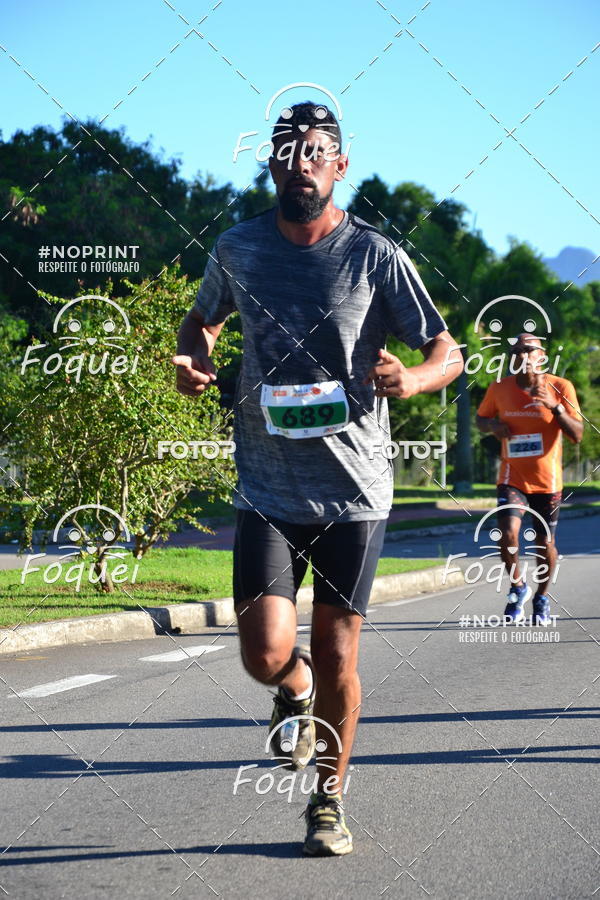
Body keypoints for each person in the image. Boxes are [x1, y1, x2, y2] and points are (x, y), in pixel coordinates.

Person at [173, 101, 462, 856]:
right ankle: (291, 693)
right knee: (265, 654)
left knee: (340, 653)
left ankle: (327, 801)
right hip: (268, 487)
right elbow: (200, 320)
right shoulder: (237, 249)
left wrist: (419, 379)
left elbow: (446, 349)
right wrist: (195, 360)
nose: (301, 161)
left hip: (355, 491)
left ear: (338, 167)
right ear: (270, 164)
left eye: (317, 151)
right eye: (288, 150)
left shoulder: (374, 255)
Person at [476, 333, 583, 625]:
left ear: (541, 356)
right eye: (516, 351)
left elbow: (577, 435)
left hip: (547, 480)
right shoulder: (499, 388)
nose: (522, 355)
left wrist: (555, 406)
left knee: (543, 542)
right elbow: (480, 419)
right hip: (512, 475)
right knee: (507, 532)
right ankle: (517, 587)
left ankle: (541, 596)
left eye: (528, 350)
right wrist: (493, 426)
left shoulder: (561, 387)